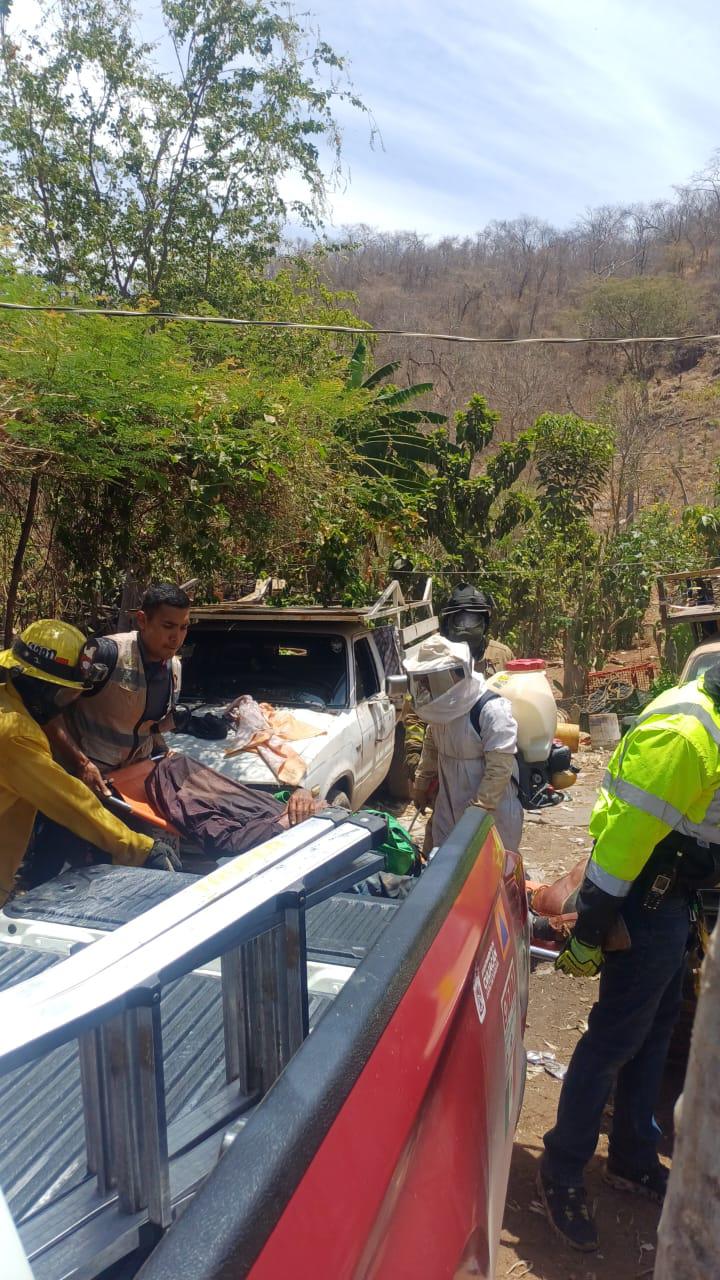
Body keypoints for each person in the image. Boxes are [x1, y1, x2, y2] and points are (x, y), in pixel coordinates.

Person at [538, 665, 720, 1252]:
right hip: (646, 902)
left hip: (673, 899)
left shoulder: (705, 715)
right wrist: (591, 928)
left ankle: (633, 1156)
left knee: (655, 1030)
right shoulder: (687, 735)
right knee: (615, 1039)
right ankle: (563, 1166)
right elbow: (623, 845)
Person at [0, 620, 179, 905]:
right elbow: (69, 801)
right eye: (63, 694)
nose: (64, 704)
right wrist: (139, 848)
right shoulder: (15, 733)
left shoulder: (8, 693)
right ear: (36, 684)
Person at [48, 582, 227, 797]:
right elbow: (49, 711)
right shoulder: (104, 654)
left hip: (131, 783)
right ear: (142, 620)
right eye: (168, 626)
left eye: (183, 627)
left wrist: (163, 752)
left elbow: (147, 727)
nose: (176, 637)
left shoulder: (174, 668)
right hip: (82, 785)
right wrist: (81, 764)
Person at [404, 635, 523, 852]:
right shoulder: (441, 709)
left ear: (452, 674)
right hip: (448, 802)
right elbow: (431, 747)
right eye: (421, 679)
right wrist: (421, 784)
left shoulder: (491, 710)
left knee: (487, 866)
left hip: (491, 811)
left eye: (428, 678)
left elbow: (499, 767)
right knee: (441, 862)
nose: (424, 684)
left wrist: (480, 807)